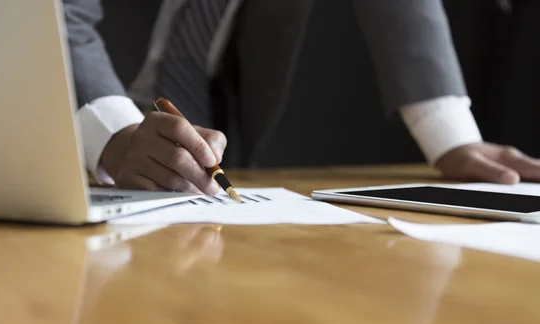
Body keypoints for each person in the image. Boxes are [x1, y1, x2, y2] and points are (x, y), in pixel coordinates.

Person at [63, 0, 540, 195]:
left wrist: (450, 132)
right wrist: (116, 133)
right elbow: (56, 13)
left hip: (213, 111)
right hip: (66, 112)